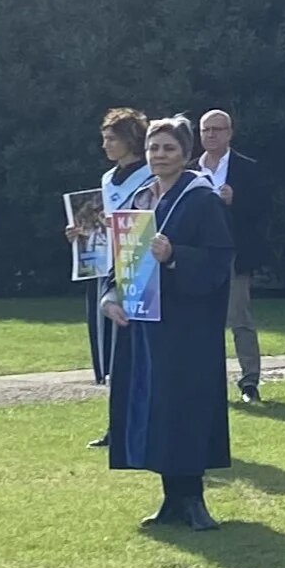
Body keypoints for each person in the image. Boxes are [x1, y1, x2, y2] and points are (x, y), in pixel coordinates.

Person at [101, 116, 235, 531]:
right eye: (154, 148)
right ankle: (169, 498)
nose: (160, 156)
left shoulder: (201, 199)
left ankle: (192, 496)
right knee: (154, 407)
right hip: (145, 323)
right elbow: (120, 256)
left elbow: (218, 259)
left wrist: (176, 255)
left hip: (186, 326)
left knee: (185, 406)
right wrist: (110, 297)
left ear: (186, 153)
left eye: (169, 149)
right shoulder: (141, 198)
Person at [73, 108, 155, 449]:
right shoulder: (108, 179)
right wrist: (82, 231)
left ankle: (143, 421)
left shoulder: (151, 176)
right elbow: (102, 223)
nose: (105, 145)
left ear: (131, 140)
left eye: (112, 139)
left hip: (141, 271)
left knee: (138, 349)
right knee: (107, 351)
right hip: (106, 270)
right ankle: (116, 424)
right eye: (104, 138)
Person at [196, 109, 268, 403]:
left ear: (229, 133)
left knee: (239, 318)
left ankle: (249, 381)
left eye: (217, 129)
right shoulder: (190, 170)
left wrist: (235, 200)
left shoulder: (247, 168)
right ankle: (204, 380)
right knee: (201, 320)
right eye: (206, 130)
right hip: (199, 258)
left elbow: (264, 209)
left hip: (234, 254)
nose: (211, 135)